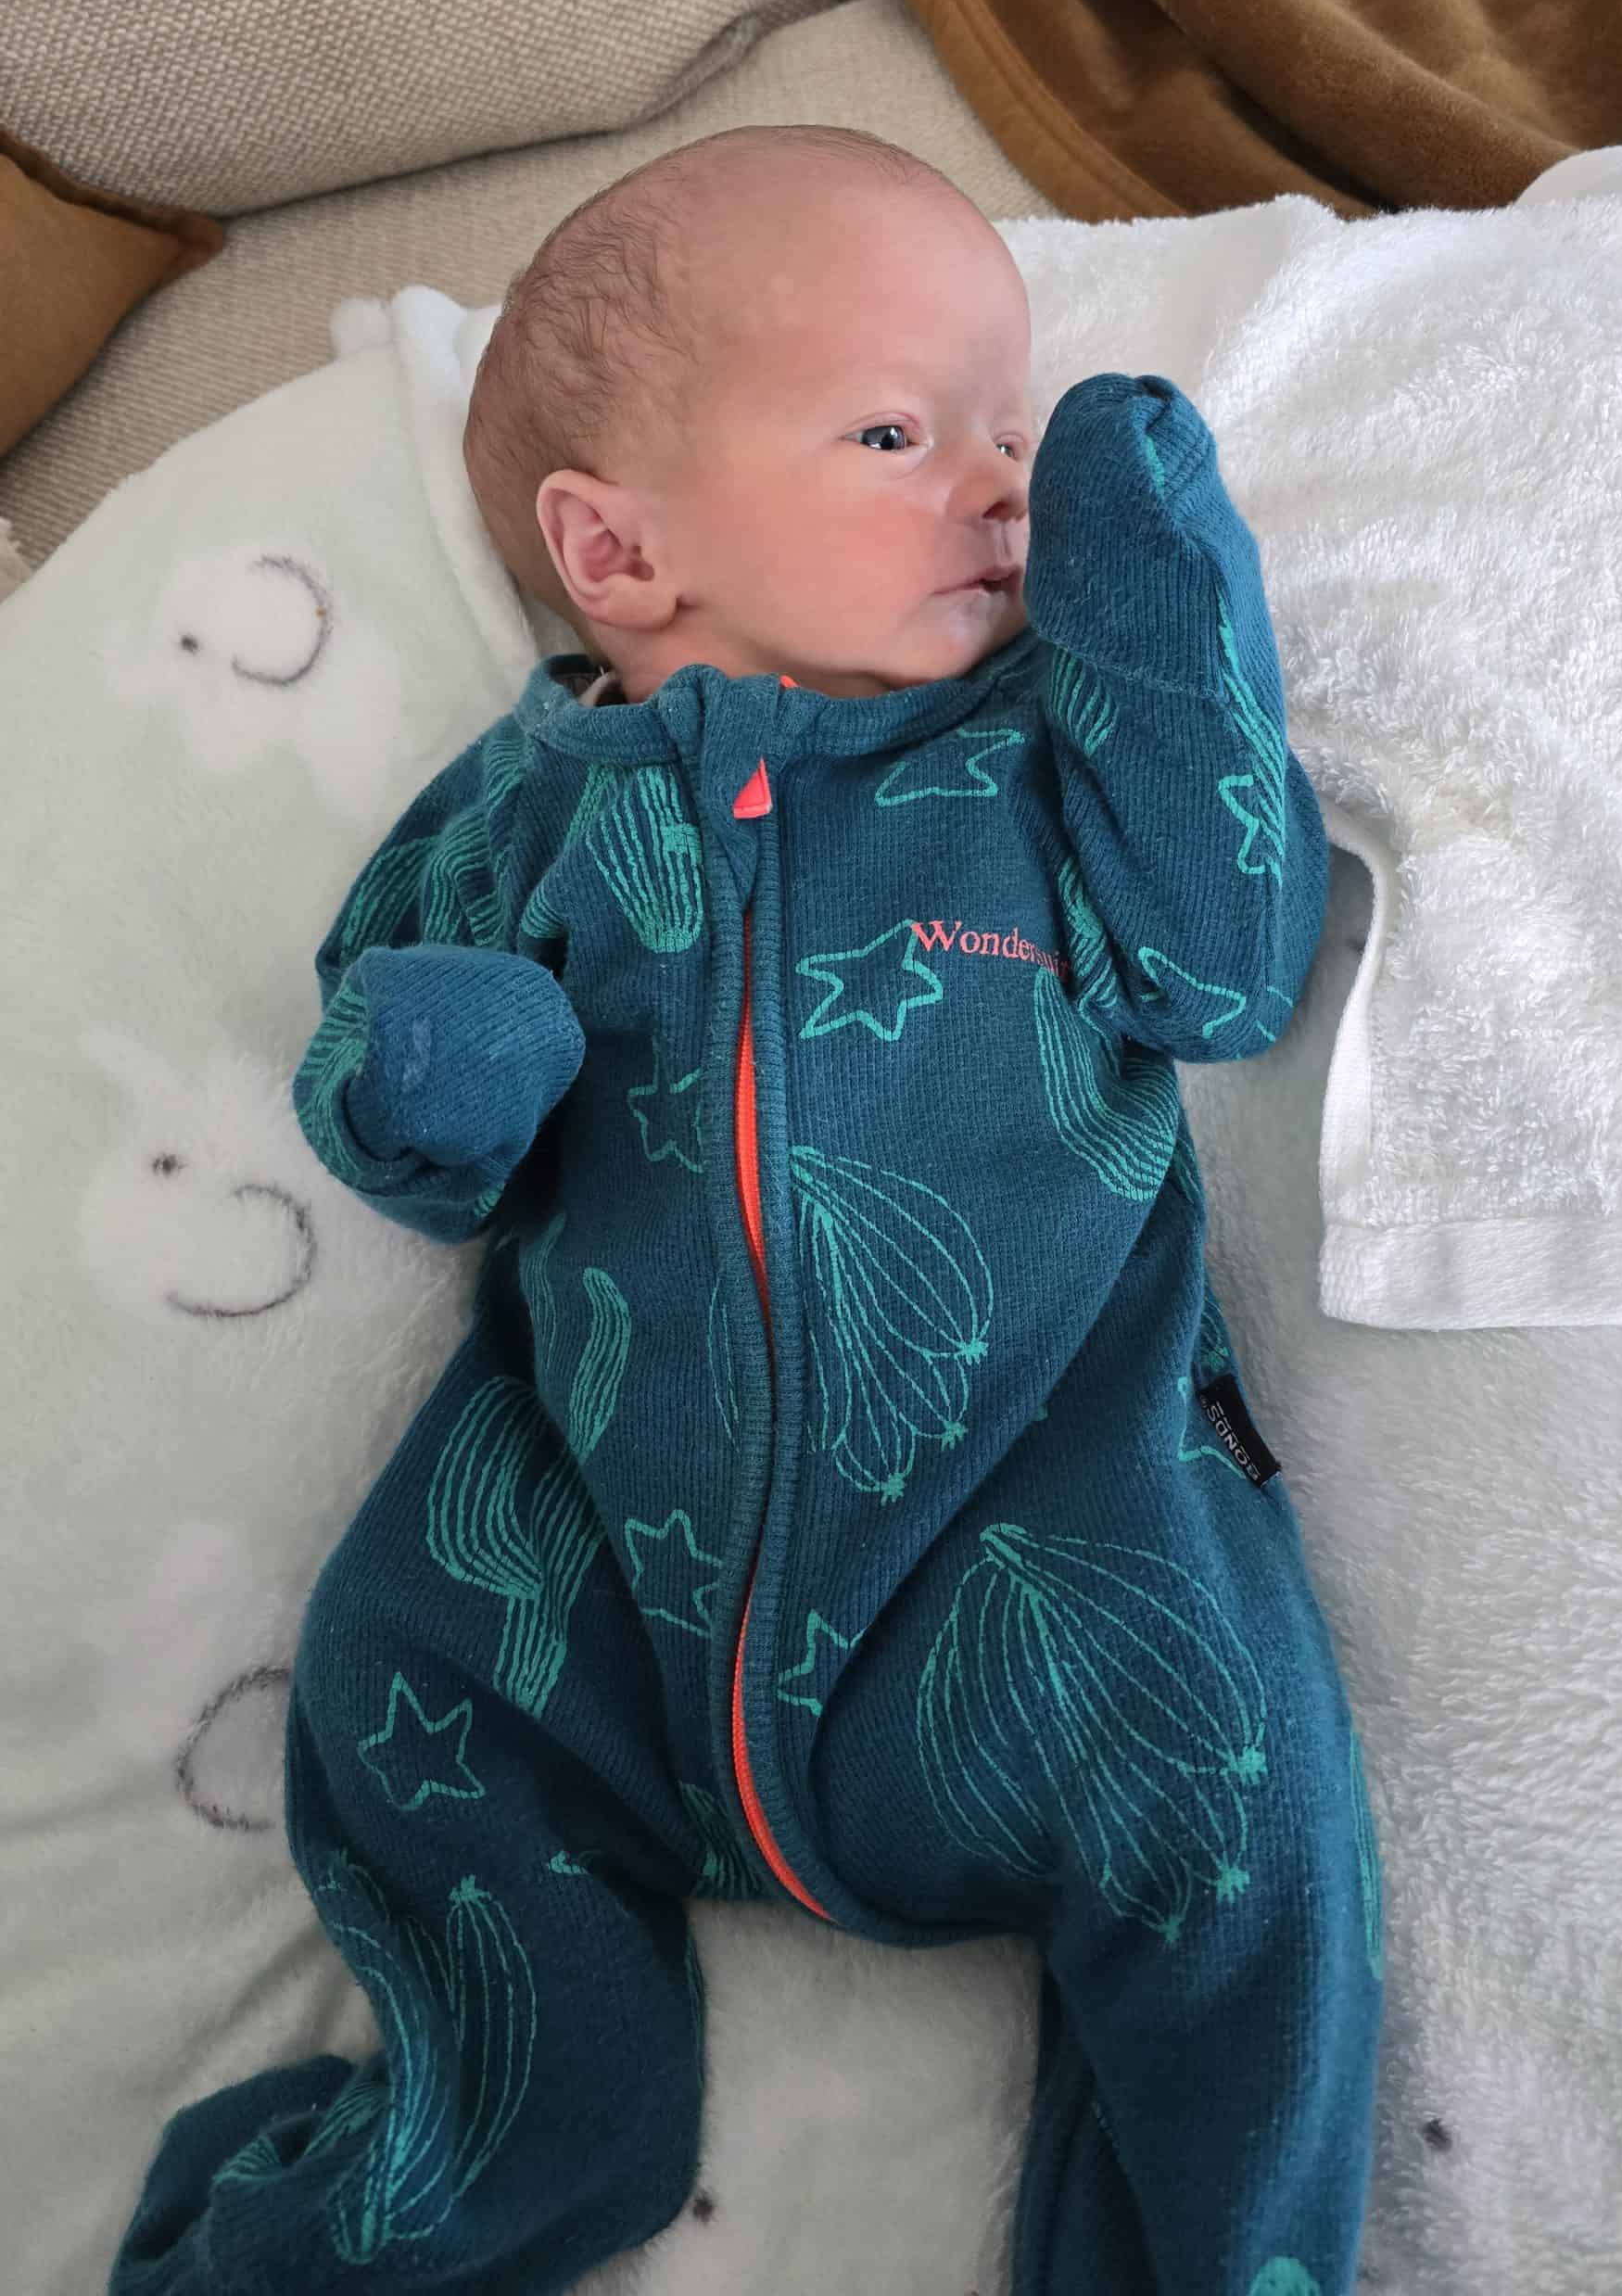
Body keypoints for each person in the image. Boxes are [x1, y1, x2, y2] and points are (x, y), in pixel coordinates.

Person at [109, 122, 1384, 2296]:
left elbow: (1222, 957)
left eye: (1009, 431)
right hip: (596, 1578)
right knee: (387, 1663)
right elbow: (391, 1083)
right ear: (617, 551)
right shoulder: (537, 797)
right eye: (896, 431)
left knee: (1255, 1843)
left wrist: (1151, 572)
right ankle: (483, 2161)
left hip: (1048, 1557)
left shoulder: (1040, 771)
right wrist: (445, 1058)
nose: (992, 481)